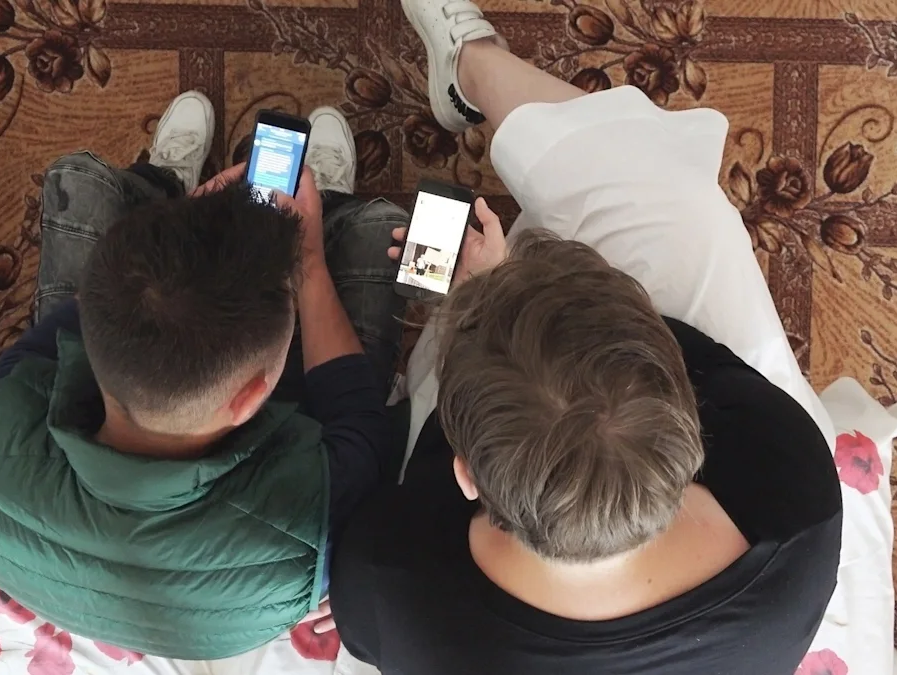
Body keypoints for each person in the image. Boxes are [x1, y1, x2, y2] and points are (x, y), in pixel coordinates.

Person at [324, 0, 844, 673]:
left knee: (668, 209)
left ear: (467, 477)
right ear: (687, 416)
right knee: (683, 214)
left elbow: (403, 498)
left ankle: (473, 67)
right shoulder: (800, 509)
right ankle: (469, 68)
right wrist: (493, 304)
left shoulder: (394, 590)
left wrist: (480, 302)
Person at [0, 92, 408, 659]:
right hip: (264, 501)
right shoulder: (315, 527)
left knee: (77, 178)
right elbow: (356, 416)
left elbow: (71, 324)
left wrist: (175, 225)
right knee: (381, 229)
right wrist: (305, 262)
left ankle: (162, 183)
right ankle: (326, 207)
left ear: (85, 346)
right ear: (254, 396)